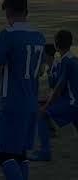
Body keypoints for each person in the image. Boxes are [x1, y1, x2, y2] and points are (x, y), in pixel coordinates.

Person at [0, 0, 45, 179]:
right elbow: (41, 69)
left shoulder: (8, 34)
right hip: (31, 102)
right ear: (26, 11)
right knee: (20, 153)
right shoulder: (39, 36)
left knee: (3, 154)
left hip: (11, 104)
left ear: (8, 12)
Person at [29, 30, 78, 161]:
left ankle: (45, 152)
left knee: (41, 114)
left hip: (73, 103)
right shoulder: (72, 59)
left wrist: (46, 105)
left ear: (56, 45)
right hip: (73, 101)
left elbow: (58, 89)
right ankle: (49, 130)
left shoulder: (65, 62)